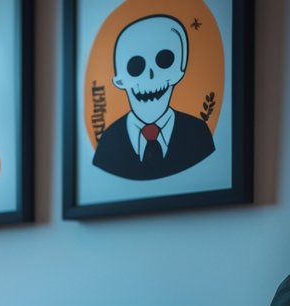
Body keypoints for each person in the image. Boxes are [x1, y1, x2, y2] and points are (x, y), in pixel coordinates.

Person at [92, 14, 215, 181]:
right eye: (135, 66)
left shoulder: (198, 134)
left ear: (181, 70)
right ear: (119, 80)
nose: (150, 75)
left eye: (164, 61)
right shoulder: (108, 143)